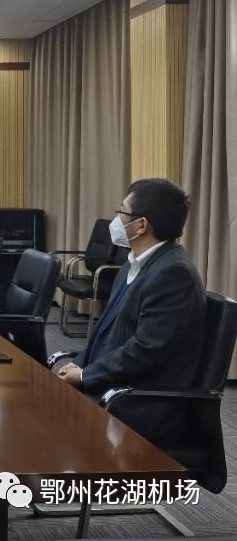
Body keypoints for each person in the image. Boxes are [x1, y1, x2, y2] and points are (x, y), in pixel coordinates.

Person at [56, 178, 204, 447]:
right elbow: (106, 332)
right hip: (112, 385)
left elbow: (147, 350)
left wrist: (86, 376)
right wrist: (79, 364)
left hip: (137, 401)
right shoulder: (132, 265)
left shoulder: (173, 273)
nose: (117, 219)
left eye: (122, 211)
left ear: (141, 225)